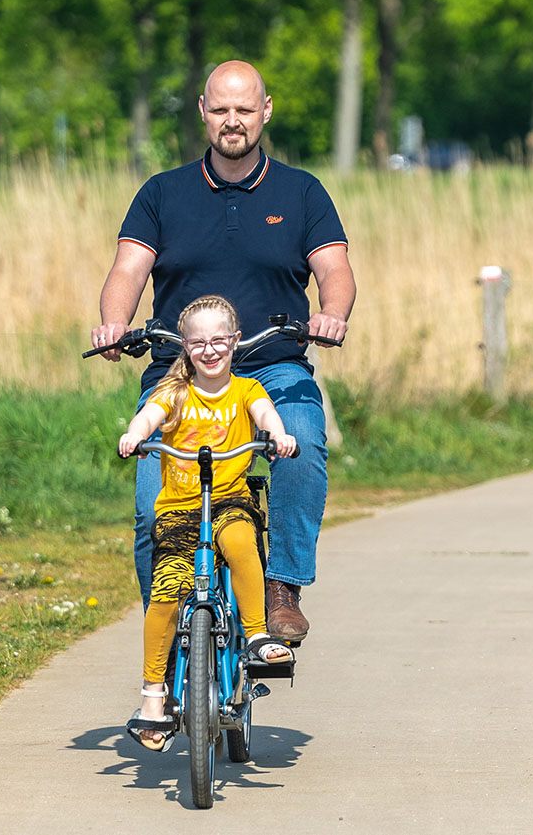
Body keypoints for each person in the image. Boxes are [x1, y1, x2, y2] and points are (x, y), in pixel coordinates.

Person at [91, 59, 356, 642]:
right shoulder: (161, 194)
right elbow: (127, 269)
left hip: (273, 363)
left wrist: (331, 314)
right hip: (179, 372)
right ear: (203, 114)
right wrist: (114, 324)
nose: (232, 121)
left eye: (244, 109)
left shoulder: (302, 191)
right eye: (220, 110)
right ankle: (167, 628)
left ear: (265, 111)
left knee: (304, 441)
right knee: (148, 509)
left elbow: (334, 269)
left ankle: (283, 588)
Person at [119, 295, 296, 751]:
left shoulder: (246, 391)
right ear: (185, 347)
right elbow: (149, 416)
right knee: (164, 595)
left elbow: (266, 416)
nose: (210, 350)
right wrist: (135, 435)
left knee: (241, 545)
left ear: (235, 342)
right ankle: (153, 699)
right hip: (179, 511)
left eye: (219, 340)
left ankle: (255, 635)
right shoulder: (174, 391)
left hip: (230, 502)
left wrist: (277, 435)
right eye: (198, 342)